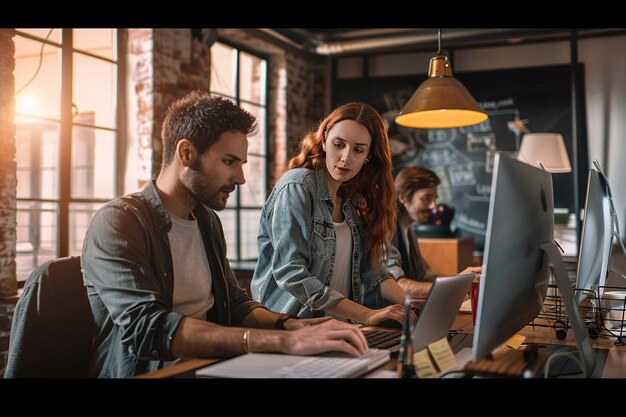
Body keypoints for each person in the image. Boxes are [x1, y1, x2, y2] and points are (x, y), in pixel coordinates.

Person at [81, 91, 368, 378]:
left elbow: (234, 304)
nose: (241, 178)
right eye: (230, 162)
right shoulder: (118, 222)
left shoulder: (206, 221)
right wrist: (284, 342)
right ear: (186, 153)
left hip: (212, 367)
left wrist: (291, 325)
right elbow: (149, 328)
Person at [251, 102, 416, 326]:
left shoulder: (351, 201)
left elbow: (373, 272)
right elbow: (291, 272)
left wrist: (412, 305)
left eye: (358, 149)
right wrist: (367, 315)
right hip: (292, 329)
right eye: (339, 144)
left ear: (368, 156)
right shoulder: (297, 186)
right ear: (325, 139)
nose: (346, 157)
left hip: (340, 330)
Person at [389, 166, 481, 298]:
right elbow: (396, 285)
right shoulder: (386, 230)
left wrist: (460, 279)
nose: (433, 206)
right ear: (403, 197)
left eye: (434, 199)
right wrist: (454, 286)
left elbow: (427, 275)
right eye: (427, 198)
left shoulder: (409, 230)